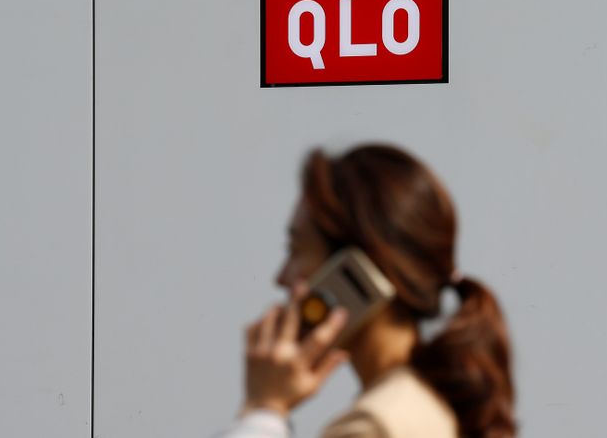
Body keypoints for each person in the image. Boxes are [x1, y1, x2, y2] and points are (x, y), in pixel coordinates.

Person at [213, 143, 517, 438]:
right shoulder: (432, 405)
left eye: (294, 250)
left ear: (355, 273)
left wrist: (264, 410)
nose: (280, 279)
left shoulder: (374, 426)